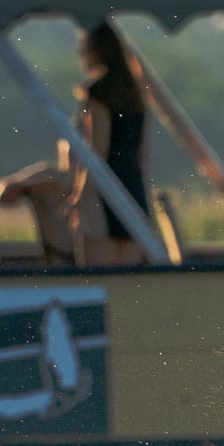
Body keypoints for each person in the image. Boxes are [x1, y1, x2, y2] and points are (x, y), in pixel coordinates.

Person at [65, 21, 151, 266]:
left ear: (96, 50)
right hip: (132, 182)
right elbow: (143, 152)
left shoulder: (100, 93)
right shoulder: (136, 93)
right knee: (131, 269)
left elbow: (98, 150)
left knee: (97, 272)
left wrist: (79, 196)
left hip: (106, 185)